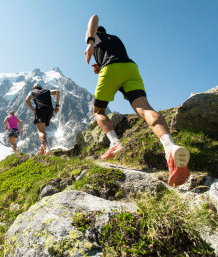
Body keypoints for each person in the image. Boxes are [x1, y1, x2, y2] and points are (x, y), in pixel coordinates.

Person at [84, 15, 190, 186]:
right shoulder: (115, 39)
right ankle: (170, 147)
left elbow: (93, 18)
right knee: (145, 109)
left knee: (98, 112)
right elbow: (111, 56)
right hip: (130, 69)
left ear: (96, 33)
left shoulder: (95, 36)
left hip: (112, 70)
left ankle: (114, 143)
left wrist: (89, 42)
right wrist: (100, 66)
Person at [25, 83, 60, 155]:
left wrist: (33, 110)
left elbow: (27, 100)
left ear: (35, 87)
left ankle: (46, 147)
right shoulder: (46, 91)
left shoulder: (32, 92)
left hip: (40, 111)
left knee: (40, 131)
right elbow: (57, 92)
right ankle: (42, 150)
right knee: (43, 130)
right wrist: (57, 105)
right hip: (50, 111)